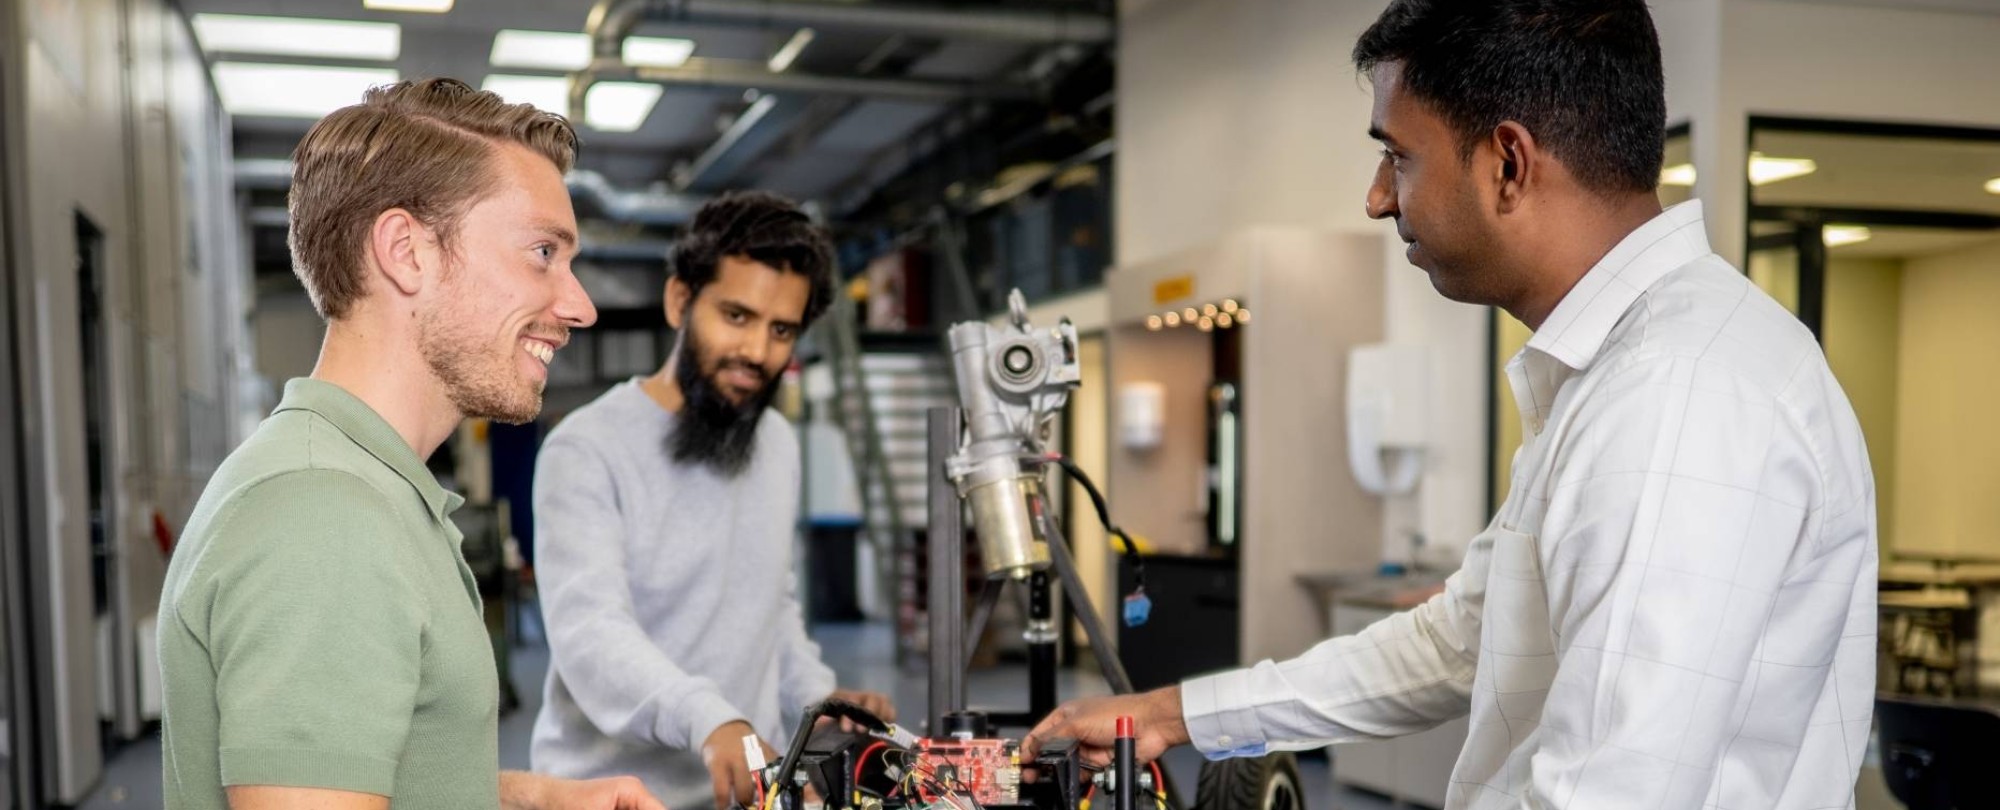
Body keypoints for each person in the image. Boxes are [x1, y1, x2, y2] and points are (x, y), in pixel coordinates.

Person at [1023, 2, 1878, 808]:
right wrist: (1175, 715)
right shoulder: (1622, 372)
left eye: (1398, 155)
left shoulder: (1673, 395)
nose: (1378, 197)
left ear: (1508, 163)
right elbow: (1461, 641)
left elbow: (1607, 794)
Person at [156, 78, 663, 810]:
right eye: (543, 251)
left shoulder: (359, 487)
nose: (578, 305)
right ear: (407, 252)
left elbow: (369, 774)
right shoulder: (325, 515)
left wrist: (535, 800)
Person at [529, 191, 897, 810]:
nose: (757, 350)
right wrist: (710, 718)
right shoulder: (587, 447)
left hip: (747, 795)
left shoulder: (775, 444)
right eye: (736, 315)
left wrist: (823, 704)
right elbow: (590, 634)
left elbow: (770, 611)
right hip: (610, 799)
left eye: (781, 330)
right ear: (681, 301)